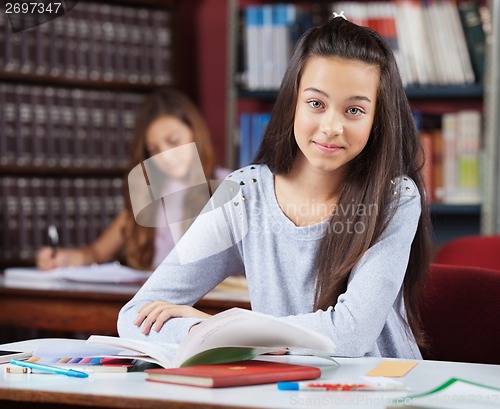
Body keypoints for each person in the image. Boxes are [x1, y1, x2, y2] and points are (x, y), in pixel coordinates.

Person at [117, 14, 432, 358]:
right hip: (283, 389)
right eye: (316, 103)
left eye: (354, 110)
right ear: (293, 102)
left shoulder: (394, 198)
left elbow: (350, 335)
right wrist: (209, 331)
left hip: (381, 391)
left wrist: (225, 331)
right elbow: (135, 316)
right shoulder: (243, 195)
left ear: (377, 119)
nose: (331, 126)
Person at [36, 88, 231, 271]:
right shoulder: (148, 195)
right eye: (154, 150)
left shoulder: (228, 187)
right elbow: (96, 253)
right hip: (154, 304)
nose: (166, 156)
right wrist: (62, 259)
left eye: (173, 142)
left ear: (195, 132)